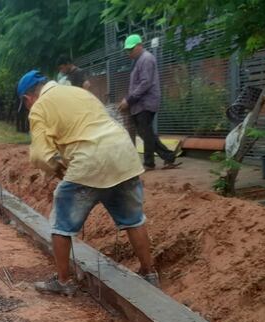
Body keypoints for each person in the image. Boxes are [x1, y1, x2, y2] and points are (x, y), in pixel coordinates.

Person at [17, 69, 160, 296]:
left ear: (28, 98)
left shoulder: (39, 108)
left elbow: (39, 155)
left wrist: (57, 169)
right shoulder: (78, 92)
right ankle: (149, 273)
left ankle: (63, 282)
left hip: (89, 161)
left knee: (61, 224)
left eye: (25, 104)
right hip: (124, 155)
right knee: (134, 220)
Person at [118, 34, 180, 170]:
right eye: (127, 50)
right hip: (140, 103)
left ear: (140, 46)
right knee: (146, 133)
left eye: (131, 49)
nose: (129, 53)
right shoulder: (138, 60)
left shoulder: (146, 59)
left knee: (146, 133)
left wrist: (129, 99)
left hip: (146, 103)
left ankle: (149, 163)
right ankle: (168, 157)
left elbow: (145, 83)